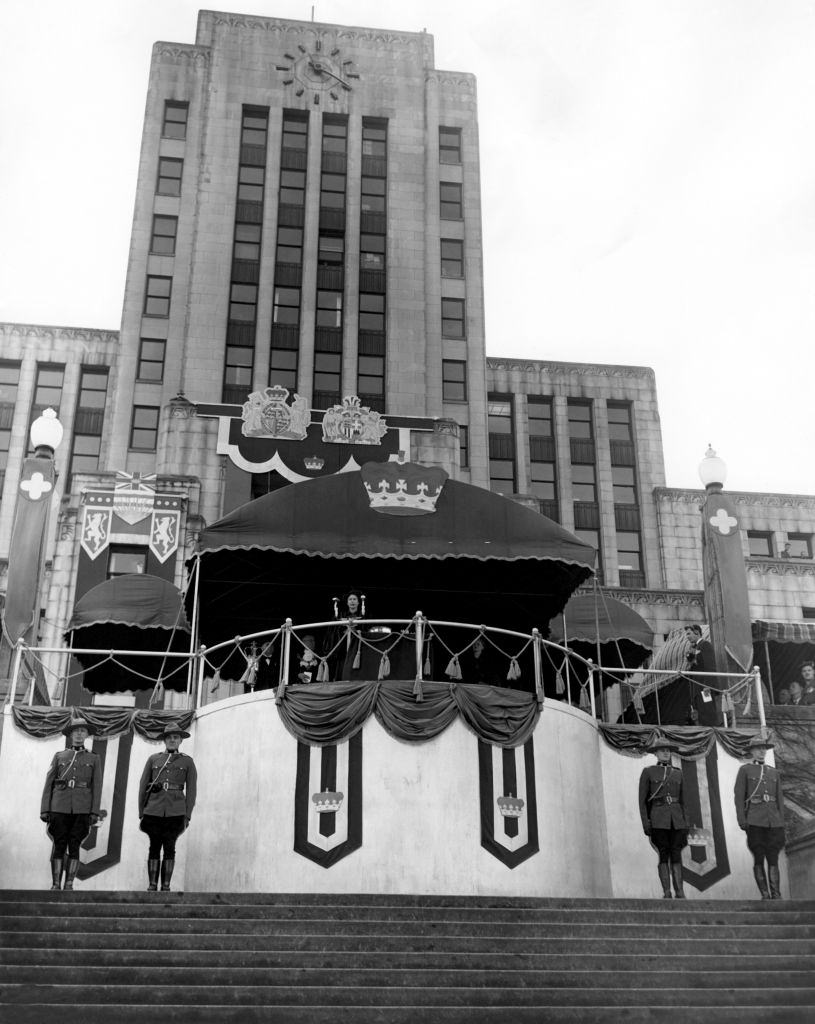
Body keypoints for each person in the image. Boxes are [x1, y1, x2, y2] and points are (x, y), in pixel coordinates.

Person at [40, 715, 102, 891]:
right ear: (70, 735)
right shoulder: (60, 756)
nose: (79, 735)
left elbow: (97, 786)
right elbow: (49, 784)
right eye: (76, 731)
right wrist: (45, 809)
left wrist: (94, 811)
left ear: (87, 735)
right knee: (58, 844)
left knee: (75, 845)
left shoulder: (94, 758)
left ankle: (69, 884)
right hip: (59, 806)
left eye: (82, 731)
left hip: (82, 807)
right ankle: (56, 883)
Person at [138, 722, 197, 892]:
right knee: (154, 845)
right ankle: (152, 884)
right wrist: (141, 810)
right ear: (164, 740)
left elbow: (192, 790)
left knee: (170, 846)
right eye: (169, 737)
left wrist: (187, 814)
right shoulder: (154, 759)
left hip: (176, 811)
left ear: (180, 741)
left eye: (176, 737)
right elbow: (143, 786)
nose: (172, 740)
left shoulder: (187, 762)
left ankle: (166, 885)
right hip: (154, 809)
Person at [734, 735, 786, 900]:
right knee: (758, 856)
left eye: (764, 748)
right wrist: (742, 820)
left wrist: (781, 822)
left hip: (774, 821)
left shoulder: (774, 772)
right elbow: (739, 797)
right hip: (754, 820)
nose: (762, 751)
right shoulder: (745, 770)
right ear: (752, 752)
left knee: (773, 857)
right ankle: (765, 893)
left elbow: (779, 798)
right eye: (758, 749)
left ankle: (776, 893)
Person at [638, 737, 688, 899]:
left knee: (676, 854)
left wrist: (685, 822)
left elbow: (684, 800)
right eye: (662, 751)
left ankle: (679, 891)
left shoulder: (678, 773)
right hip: (658, 819)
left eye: (668, 751)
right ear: (656, 753)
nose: (666, 753)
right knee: (663, 854)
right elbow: (642, 801)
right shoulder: (649, 772)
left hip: (676, 820)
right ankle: (667, 891)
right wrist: (646, 823)